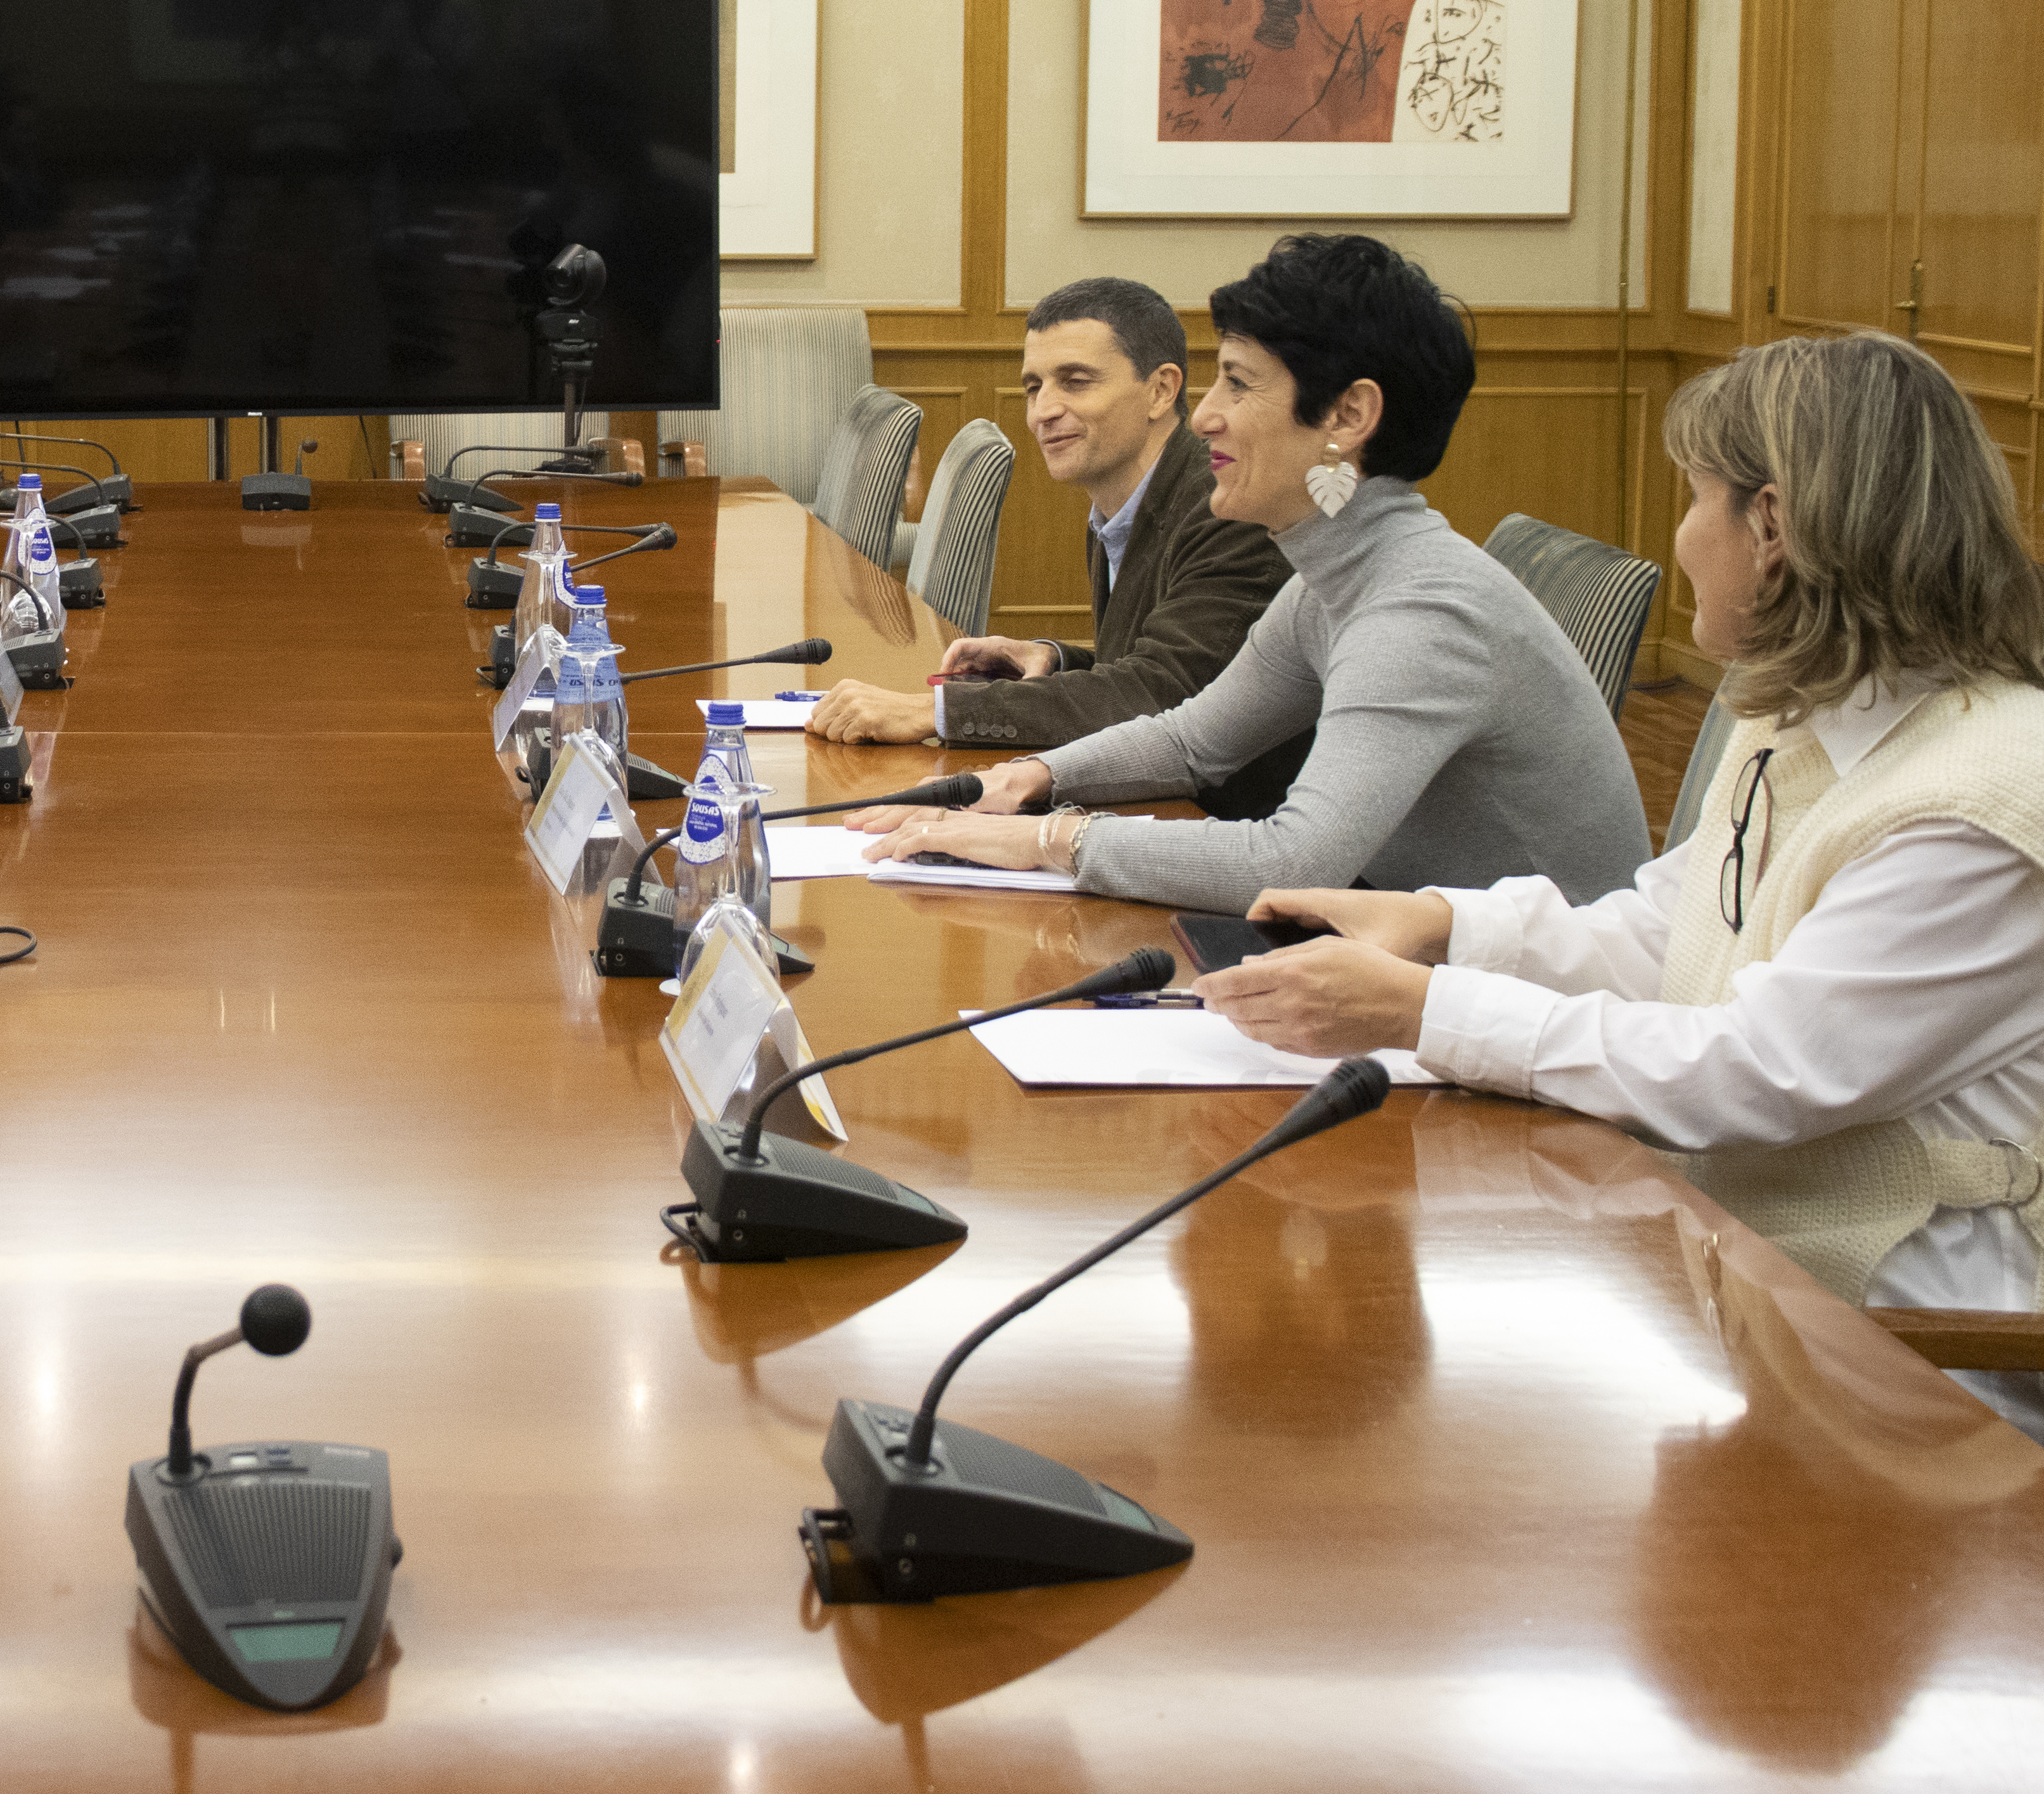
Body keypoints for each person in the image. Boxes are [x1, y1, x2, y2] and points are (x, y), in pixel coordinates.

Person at [1199, 331, 2044, 1432]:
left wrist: (1435, 1008)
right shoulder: (1805, 708)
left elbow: (1759, 1072)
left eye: (1695, 498)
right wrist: (1445, 924)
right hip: (1740, 1282)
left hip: (1909, 1367)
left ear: (1773, 527)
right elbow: (1672, 927)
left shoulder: (1978, 802)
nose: (1681, 537)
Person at [850, 233, 1647, 912]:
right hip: (1419, 962)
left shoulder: (1421, 611)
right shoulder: (1335, 577)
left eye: (1239, 380)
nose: (1204, 415)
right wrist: (1024, 779)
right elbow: (1192, 741)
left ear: (1347, 417)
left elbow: (1291, 862)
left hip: (1528, 1019)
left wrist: (1047, 837)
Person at [806, 276, 1302, 818]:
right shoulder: (1124, 503)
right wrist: (1057, 659)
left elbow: (1161, 695)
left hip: (1223, 835)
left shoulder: (1226, 507)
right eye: (1034, 387)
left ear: (1161, 390)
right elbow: (1168, 665)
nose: (1044, 410)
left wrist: (936, 711)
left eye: (1076, 382)